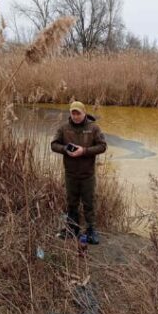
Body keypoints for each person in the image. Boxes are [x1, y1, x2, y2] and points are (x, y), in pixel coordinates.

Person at [51, 101, 106, 244]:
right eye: (73, 113)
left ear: (84, 113)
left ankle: (91, 231)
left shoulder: (93, 128)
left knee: (89, 203)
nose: (75, 116)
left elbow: (102, 146)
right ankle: (72, 229)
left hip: (87, 174)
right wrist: (65, 149)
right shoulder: (64, 128)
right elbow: (53, 145)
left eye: (78, 113)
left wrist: (84, 151)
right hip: (70, 174)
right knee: (71, 203)